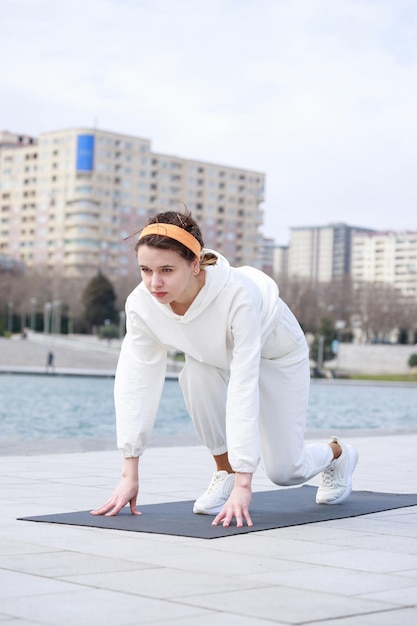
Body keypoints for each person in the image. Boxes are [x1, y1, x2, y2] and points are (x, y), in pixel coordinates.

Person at [91, 210, 358, 528]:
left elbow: (244, 385)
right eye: (145, 270)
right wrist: (129, 472)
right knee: (195, 374)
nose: (154, 282)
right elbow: (136, 380)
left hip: (277, 356)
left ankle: (339, 454)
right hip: (212, 357)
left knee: (286, 472)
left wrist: (248, 486)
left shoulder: (237, 296)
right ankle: (225, 470)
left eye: (166, 270)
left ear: (194, 264)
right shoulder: (141, 304)